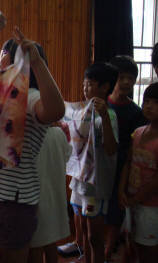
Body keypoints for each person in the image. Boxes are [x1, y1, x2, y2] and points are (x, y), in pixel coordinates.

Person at [0, 27, 65, 263]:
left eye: (4, 56)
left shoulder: (31, 96)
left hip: (13, 200)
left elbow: (56, 110)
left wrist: (36, 63)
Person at [68, 63, 119, 263]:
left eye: (90, 84)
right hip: (80, 180)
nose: (85, 88)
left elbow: (111, 149)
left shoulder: (109, 115)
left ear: (105, 87)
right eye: (84, 83)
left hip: (96, 186)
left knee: (95, 236)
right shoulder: (81, 112)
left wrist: (105, 116)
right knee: (82, 229)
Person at [104, 55, 146, 260]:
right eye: (122, 77)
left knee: (115, 215)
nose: (127, 82)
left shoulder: (137, 113)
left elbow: (134, 152)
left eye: (132, 78)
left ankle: (108, 252)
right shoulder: (102, 106)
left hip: (122, 170)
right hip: (100, 169)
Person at [119, 82, 158, 263]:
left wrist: (137, 199)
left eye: (155, 102)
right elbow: (128, 163)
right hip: (131, 201)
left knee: (147, 251)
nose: (148, 106)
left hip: (151, 206)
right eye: (147, 101)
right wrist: (121, 190)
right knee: (130, 244)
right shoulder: (138, 132)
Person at [28, 125, 72, 263]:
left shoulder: (28, 135)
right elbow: (67, 155)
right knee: (50, 242)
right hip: (54, 196)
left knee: (36, 245)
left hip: (35, 199)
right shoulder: (58, 133)